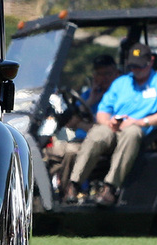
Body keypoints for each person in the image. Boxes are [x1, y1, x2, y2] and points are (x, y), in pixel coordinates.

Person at [67, 44, 157, 206]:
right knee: (97, 132)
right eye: (133, 66)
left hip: (141, 134)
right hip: (114, 130)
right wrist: (109, 122)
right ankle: (74, 184)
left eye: (140, 66)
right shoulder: (121, 83)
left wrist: (141, 121)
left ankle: (110, 188)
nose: (136, 70)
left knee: (132, 132)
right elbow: (102, 112)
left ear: (151, 62)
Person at [43, 54, 117, 195]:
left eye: (108, 73)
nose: (104, 78)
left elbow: (107, 129)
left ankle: (67, 195)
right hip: (78, 140)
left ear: (116, 74)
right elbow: (70, 122)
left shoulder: (117, 96)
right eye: (99, 74)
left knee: (70, 152)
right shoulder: (89, 94)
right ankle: (45, 193)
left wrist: (83, 124)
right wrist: (91, 100)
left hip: (99, 144)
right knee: (48, 152)